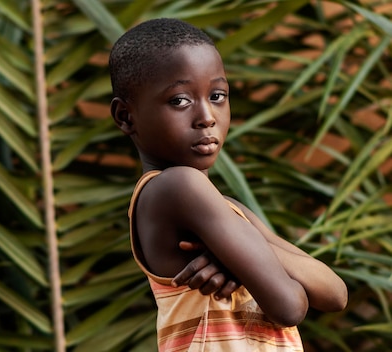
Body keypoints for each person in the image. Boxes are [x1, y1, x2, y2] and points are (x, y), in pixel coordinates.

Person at [109, 18, 348, 351]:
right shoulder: (177, 187)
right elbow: (290, 305)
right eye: (179, 100)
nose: (207, 116)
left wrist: (234, 257)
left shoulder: (232, 208)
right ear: (125, 116)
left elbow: (335, 293)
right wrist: (251, 254)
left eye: (217, 95)